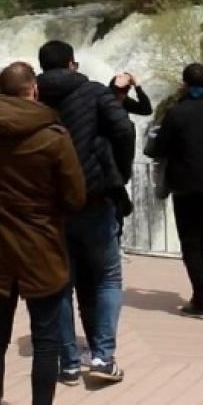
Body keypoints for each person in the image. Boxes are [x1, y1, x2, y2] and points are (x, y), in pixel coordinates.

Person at [0, 62, 86, 405]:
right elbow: (75, 196)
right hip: (41, 248)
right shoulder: (53, 136)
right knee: (46, 341)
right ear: (33, 90)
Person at [36, 40, 135, 386]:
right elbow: (124, 128)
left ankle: (67, 362)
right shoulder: (93, 91)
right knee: (108, 276)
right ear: (72, 64)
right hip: (95, 198)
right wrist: (117, 174)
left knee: (62, 283)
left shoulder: (30, 97)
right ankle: (103, 357)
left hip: (52, 205)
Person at [145, 62, 203, 318]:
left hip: (183, 185)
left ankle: (202, 298)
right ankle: (201, 293)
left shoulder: (176, 113)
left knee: (190, 241)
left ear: (184, 83)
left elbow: (159, 148)